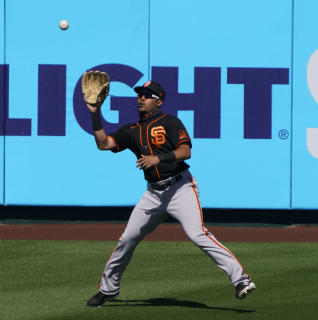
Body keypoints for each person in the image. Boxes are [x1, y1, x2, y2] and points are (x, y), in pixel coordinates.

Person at [85, 77, 255, 307]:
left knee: (197, 234)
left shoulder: (171, 123)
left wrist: (159, 158)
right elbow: (103, 144)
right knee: (127, 239)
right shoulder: (132, 130)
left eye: (147, 96)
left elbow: (186, 151)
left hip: (180, 188)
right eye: (139, 95)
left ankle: (240, 280)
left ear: (159, 102)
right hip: (153, 194)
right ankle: (108, 289)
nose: (141, 98)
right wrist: (95, 113)